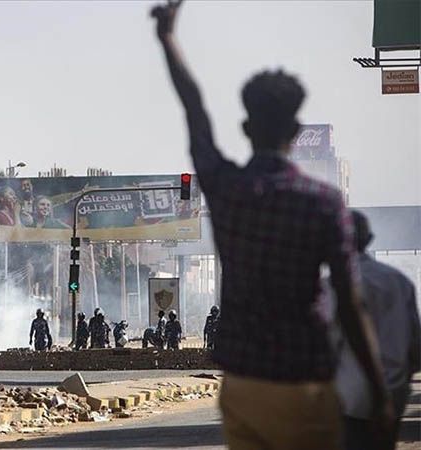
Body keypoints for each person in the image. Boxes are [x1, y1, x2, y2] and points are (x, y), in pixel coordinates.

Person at [151, 2, 390, 448]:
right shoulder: (323, 203)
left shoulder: (227, 190)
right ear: (296, 130)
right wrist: (378, 393)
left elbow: (195, 113)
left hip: (244, 385)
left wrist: (168, 39)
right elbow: (351, 307)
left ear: (245, 126)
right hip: (307, 382)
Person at [334, 211, 421, 450]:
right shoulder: (400, 282)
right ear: (369, 238)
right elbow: (415, 348)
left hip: (348, 400)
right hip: (394, 393)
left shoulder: (330, 286)